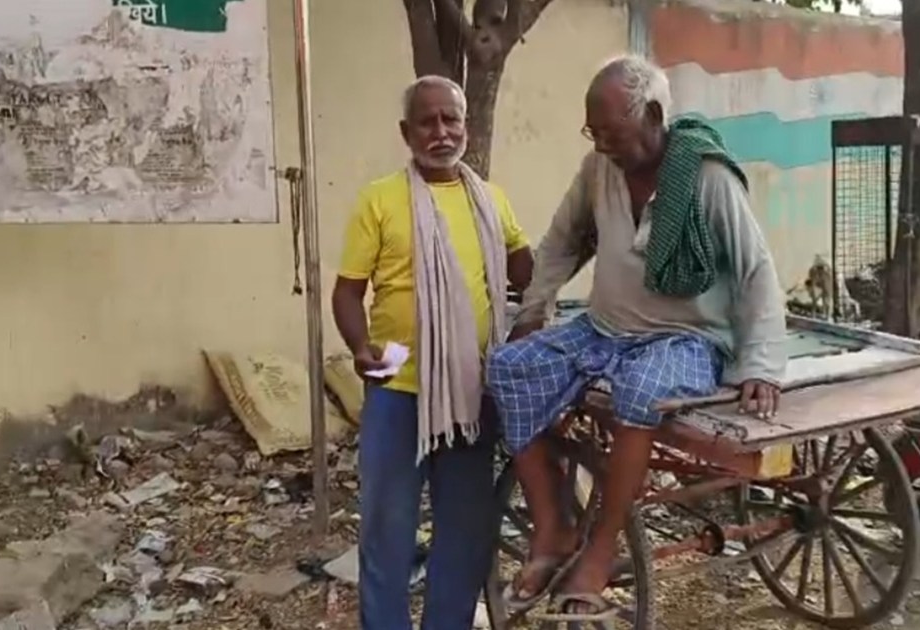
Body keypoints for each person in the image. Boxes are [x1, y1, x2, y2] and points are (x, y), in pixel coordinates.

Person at [485, 55, 788, 621]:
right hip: (604, 328)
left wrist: (760, 365)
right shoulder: (598, 169)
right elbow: (562, 241)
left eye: (612, 134)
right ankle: (553, 528)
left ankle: (600, 551)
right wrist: (534, 308)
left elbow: (755, 270)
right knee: (507, 366)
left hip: (685, 339)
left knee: (639, 387)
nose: (602, 145)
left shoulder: (706, 176)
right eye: (592, 133)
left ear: (652, 115)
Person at [332, 75, 534, 630]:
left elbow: (524, 269)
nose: (442, 132)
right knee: (387, 535)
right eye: (428, 121)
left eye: (452, 119)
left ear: (465, 125)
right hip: (399, 391)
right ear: (407, 132)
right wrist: (360, 347)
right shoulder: (380, 200)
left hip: (470, 396)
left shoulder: (490, 200)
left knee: (465, 537)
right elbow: (347, 292)